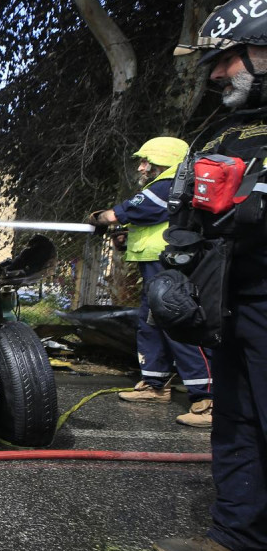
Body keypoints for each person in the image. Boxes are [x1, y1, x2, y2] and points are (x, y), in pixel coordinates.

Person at [152, 0, 267, 551]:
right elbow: (187, 211)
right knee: (238, 417)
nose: (218, 74)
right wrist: (175, 268)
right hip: (230, 301)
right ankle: (241, 538)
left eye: (227, 57)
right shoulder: (226, 132)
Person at [88, 137, 214, 427]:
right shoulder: (171, 185)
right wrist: (126, 236)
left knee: (177, 322)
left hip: (169, 265)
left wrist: (101, 218)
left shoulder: (171, 184)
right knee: (151, 323)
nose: (142, 167)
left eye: (147, 160)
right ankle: (155, 385)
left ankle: (206, 399)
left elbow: (132, 210)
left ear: (165, 160)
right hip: (156, 264)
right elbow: (151, 221)